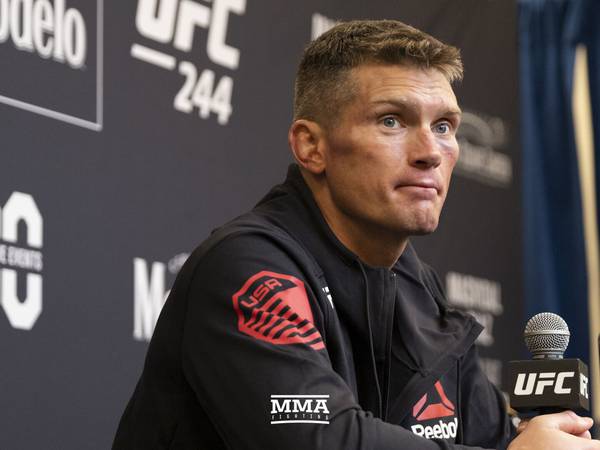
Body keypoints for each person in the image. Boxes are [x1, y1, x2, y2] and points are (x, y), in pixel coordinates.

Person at [113, 19, 599, 450]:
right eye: (392, 120)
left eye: (444, 126)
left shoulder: (418, 289)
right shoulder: (246, 267)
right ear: (311, 146)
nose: (431, 152)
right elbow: (321, 441)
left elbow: (496, 439)